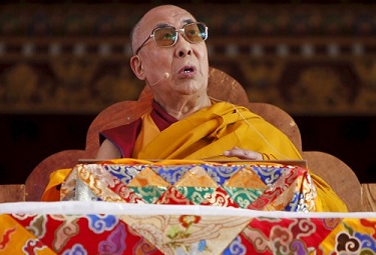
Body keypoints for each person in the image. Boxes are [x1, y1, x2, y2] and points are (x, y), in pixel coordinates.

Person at [43, 4, 347, 212]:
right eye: (166, 37)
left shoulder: (249, 130)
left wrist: (269, 174)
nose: (185, 47)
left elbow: (323, 209)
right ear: (139, 67)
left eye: (193, 33)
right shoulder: (124, 141)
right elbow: (84, 209)